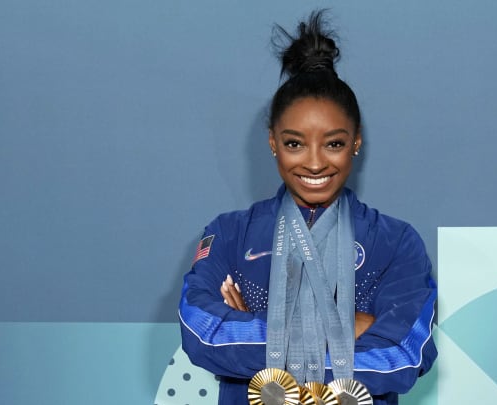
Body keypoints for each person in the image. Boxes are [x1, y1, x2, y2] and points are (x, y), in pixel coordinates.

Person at [179, 10, 437, 405]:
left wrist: (253, 328)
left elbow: (401, 357)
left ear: (355, 142)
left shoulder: (397, 242)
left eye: (333, 143)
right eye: (294, 143)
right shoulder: (230, 233)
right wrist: (349, 327)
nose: (315, 163)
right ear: (272, 143)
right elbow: (201, 332)